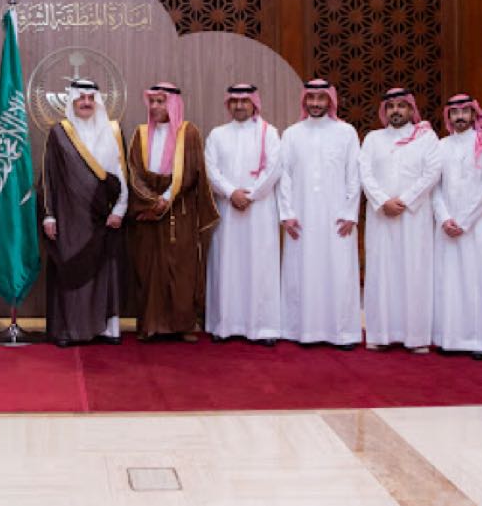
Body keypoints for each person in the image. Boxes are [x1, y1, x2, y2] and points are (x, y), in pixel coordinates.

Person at [127, 83, 219, 341]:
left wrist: (167, 198)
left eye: (161, 102)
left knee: (181, 267)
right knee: (149, 267)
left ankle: (183, 325)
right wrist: (151, 200)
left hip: (180, 209)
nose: (155, 107)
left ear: (174, 104)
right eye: (152, 102)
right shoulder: (140, 134)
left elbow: (191, 171)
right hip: (148, 210)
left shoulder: (188, 133)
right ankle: (150, 325)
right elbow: (133, 171)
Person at [40, 79, 128, 347]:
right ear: (73, 101)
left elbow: (122, 173)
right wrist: (49, 215)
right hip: (69, 217)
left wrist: (120, 209)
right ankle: (70, 330)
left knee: (103, 271)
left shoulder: (113, 130)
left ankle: (107, 329)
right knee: (72, 271)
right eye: (81, 98)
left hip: (104, 216)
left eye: (91, 98)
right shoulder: (59, 133)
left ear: (98, 102)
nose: (86, 103)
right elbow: (48, 176)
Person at [276, 79, 362, 349]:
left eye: (321, 98)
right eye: (310, 98)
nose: (315, 103)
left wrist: (350, 213)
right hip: (300, 217)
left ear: (330, 101)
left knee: (339, 272)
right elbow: (284, 176)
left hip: (337, 217)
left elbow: (354, 175)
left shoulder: (346, 132)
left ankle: (342, 334)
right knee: (301, 272)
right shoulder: (291, 134)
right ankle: (301, 330)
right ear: (304, 101)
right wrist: (287, 213)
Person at [360, 87, 441, 352]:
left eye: (401, 105)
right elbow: (365, 173)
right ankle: (381, 335)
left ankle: (416, 337)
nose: (396, 110)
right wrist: (383, 200)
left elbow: (432, 173)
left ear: (410, 109)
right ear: (385, 111)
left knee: (415, 272)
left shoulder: (426, 137)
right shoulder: (373, 138)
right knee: (381, 273)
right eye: (391, 106)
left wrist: (404, 200)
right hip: (381, 216)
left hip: (414, 216)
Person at [203, 83, 283, 345]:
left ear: (254, 103)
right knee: (227, 265)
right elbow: (211, 169)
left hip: (259, 211)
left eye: (244, 101)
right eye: (234, 101)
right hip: (227, 209)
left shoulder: (269, 133)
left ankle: (263, 328)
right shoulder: (217, 134)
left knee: (260, 266)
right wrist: (230, 192)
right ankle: (224, 325)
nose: (239, 106)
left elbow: (274, 169)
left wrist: (251, 194)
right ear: (229, 104)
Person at [431, 93, 482, 359]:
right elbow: (434, 186)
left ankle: (480, 341)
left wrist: (465, 220)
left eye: (464, 112)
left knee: (476, 280)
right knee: (448, 281)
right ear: (448, 116)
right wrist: (444, 217)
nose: (460, 117)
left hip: (477, 224)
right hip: (447, 225)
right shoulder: (441, 145)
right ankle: (449, 338)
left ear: (473, 114)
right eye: (454, 113)